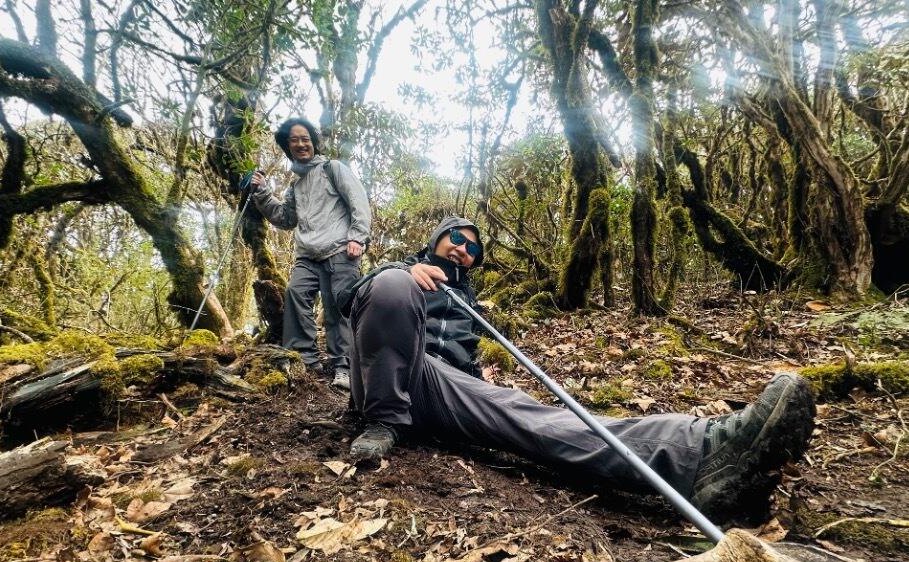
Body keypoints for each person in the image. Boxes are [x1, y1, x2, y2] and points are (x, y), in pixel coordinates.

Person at [338, 216, 816, 523]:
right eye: (457, 238)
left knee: (527, 415)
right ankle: (385, 420)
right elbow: (346, 303)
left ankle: (701, 458)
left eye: (474, 249)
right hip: (382, 377)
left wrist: (483, 388)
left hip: (439, 390)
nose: (464, 249)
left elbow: (470, 367)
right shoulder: (400, 270)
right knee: (393, 290)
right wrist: (396, 275)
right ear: (436, 238)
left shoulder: (470, 303)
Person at [249, 118, 371, 390]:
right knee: (295, 292)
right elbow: (285, 218)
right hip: (307, 255)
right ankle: (304, 359)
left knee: (338, 306)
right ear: (287, 147)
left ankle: (344, 366)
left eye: (305, 139)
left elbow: (358, 200)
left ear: (314, 142)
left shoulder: (333, 168)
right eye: (294, 140)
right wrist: (262, 192)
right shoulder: (296, 185)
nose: (301, 144)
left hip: (341, 249)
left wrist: (358, 237)